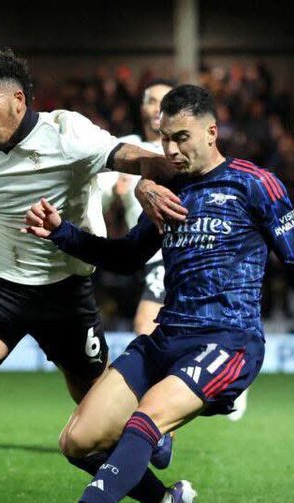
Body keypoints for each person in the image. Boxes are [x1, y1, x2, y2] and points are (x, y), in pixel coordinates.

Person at [14, 84, 294, 503]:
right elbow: (128, 257)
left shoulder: (255, 184)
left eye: (181, 137)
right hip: (166, 337)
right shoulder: (170, 189)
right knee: (79, 441)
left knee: (145, 421)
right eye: (164, 138)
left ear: (212, 132)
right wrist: (62, 233)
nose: (170, 150)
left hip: (228, 341)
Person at [0, 49, 187, 503]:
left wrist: (148, 183)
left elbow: (136, 158)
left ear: (18, 100)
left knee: (94, 428)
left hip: (66, 292)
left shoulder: (68, 133)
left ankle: (165, 502)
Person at [92, 79, 250, 421]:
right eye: (150, 100)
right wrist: (122, 192)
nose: (155, 106)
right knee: (169, 335)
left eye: (162, 101)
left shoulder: (188, 156)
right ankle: (218, 374)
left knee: (146, 325)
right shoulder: (129, 149)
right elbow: (100, 199)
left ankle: (166, 421)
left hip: (173, 254)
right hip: (141, 252)